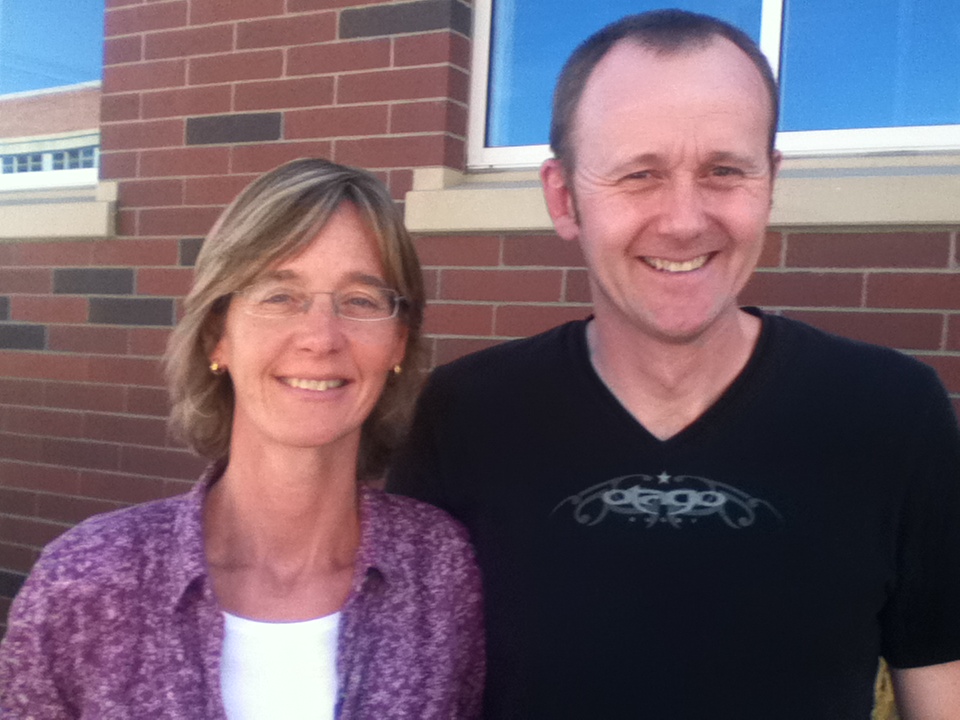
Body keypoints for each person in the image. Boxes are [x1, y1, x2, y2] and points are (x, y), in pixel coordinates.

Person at [388, 9, 960, 719]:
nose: (685, 219)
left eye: (725, 170)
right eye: (639, 174)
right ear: (564, 198)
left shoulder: (891, 415)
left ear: (770, 182)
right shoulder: (466, 416)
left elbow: (942, 687)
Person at [0, 158, 484, 719]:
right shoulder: (85, 579)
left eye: (361, 300)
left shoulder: (440, 570)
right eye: (279, 295)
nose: (321, 338)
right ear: (216, 336)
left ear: (398, 344)